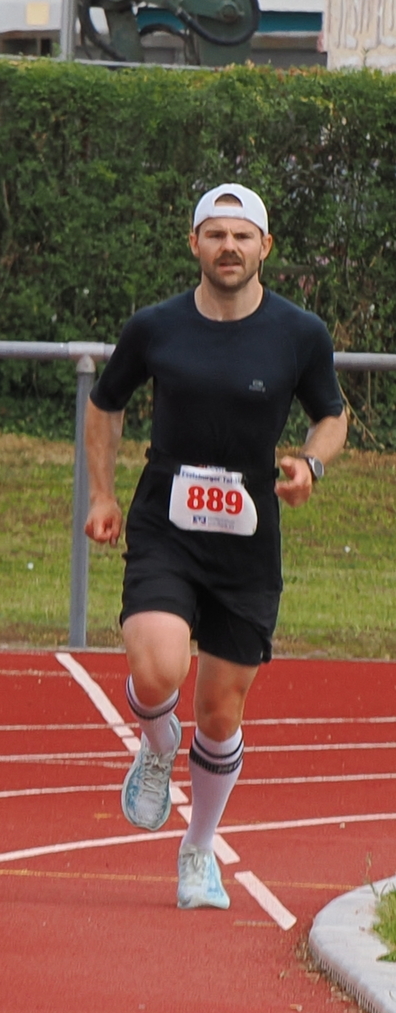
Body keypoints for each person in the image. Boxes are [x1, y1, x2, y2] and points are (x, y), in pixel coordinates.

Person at [84, 183, 348, 910]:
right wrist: (102, 496)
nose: (228, 246)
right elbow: (105, 404)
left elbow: (332, 414)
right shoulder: (155, 327)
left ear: (265, 247)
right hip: (166, 527)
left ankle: (198, 849)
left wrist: (312, 464)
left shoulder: (299, 333)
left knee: (221, 713)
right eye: (215, 233)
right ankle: (156, 742)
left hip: (246, 545)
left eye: (242, 235)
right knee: (157, 667)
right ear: (194, 243)